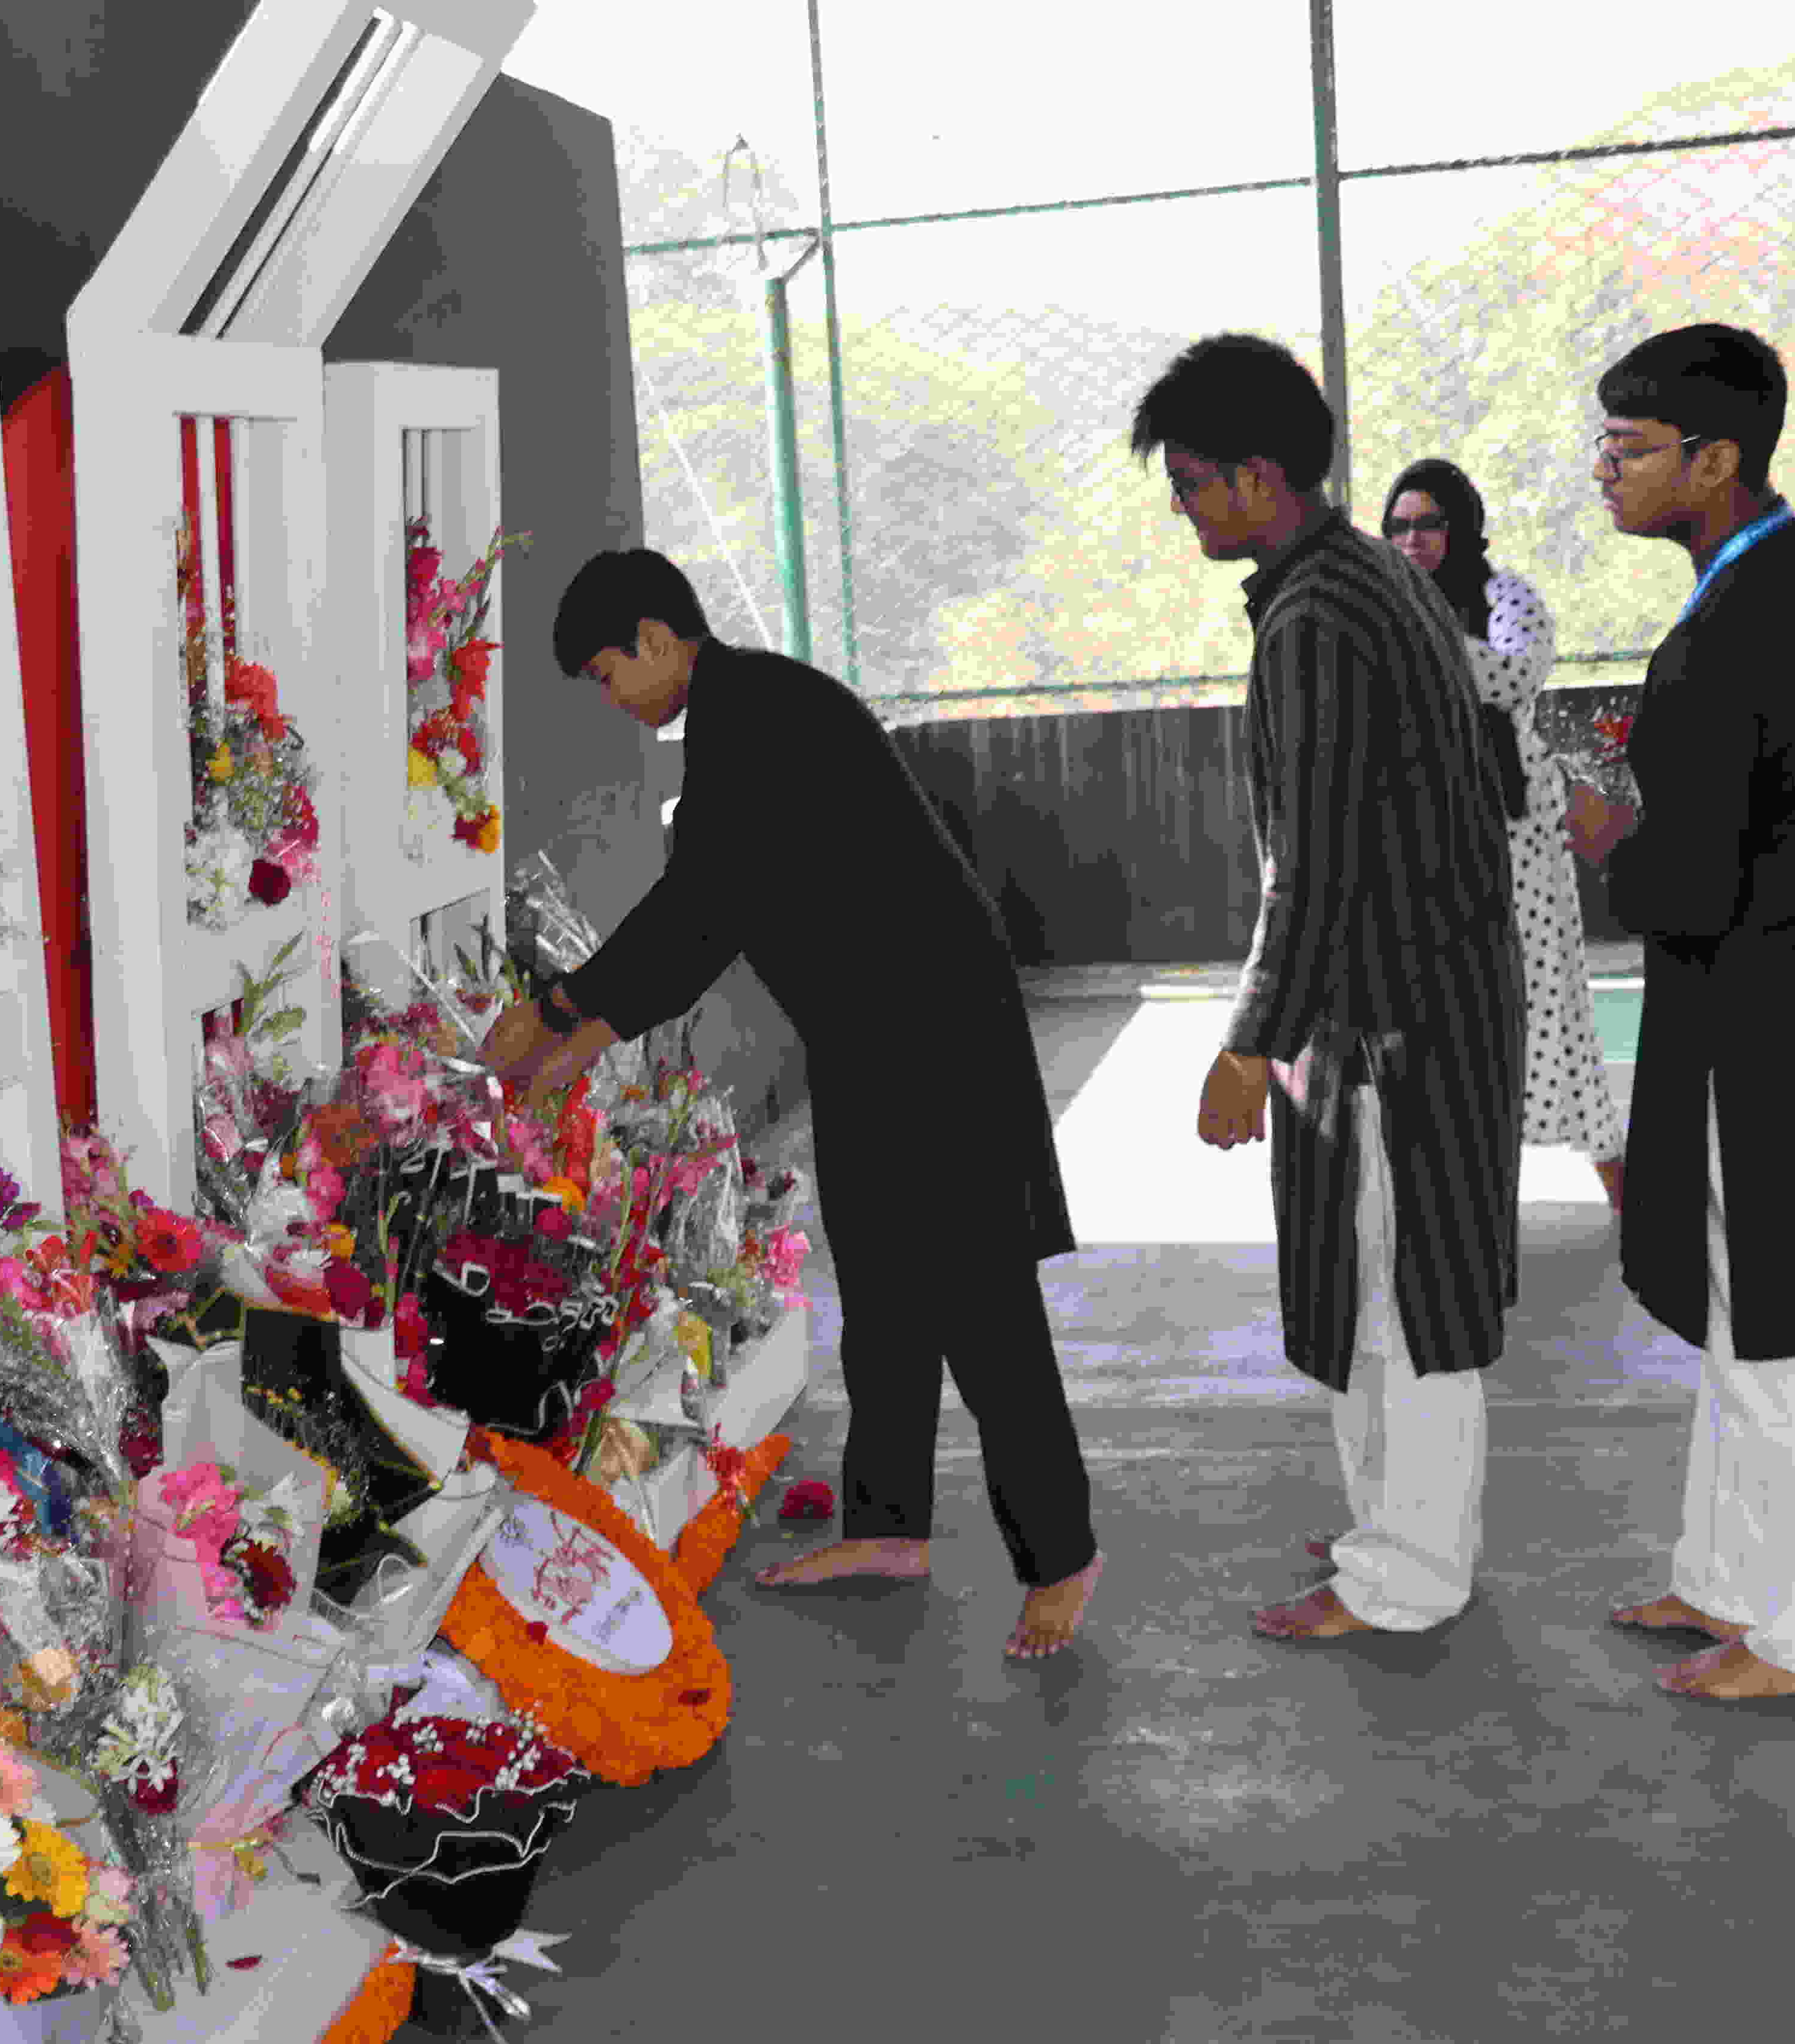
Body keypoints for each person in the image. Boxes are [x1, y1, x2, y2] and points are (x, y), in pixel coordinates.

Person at [474, 550, 1105, 1661]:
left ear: (655, 638)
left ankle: (1061, 1555)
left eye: (607, 674)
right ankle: (888, 1526)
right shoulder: (740, 716)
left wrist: (559, 1008)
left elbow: (697, 908)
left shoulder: (759, 716)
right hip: (869, 1038)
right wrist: (571, 1046)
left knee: (980, 1301)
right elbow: (712, 923)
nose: (613, 701)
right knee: (885, 1281)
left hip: (938, 1037)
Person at [1129, 336, 1524, 1647]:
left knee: (1404, 1301)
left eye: (1190, 484)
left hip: (1394, 1026)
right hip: (1413, 1004)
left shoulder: (1315, 617)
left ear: (1259, 477)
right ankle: (1394, 1527)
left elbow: (1313, 865)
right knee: (1379, 1289)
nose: (1183, 510)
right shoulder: (1359, 577)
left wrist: (1252, 1044)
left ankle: (1408, 1571)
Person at [1577, 324, 1795, 1709]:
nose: (1605, 470)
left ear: (1715, 458)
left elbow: (1705, 864)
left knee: (1782, 1324)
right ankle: (1724, 1577)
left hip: (1784, 1022)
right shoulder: (1789, 584)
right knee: (1741, 1312)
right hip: (1760, 1002)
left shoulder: (1775, 602)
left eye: (1630, 448)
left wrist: (1610, 836)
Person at [1379, 459, 1629, 1211]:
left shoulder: (1505, 597)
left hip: (1511, 825)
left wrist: (1419, 630)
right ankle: (1457, 1191)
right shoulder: (1384, 610)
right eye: (1399, 527)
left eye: (1430, 523)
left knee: (1541, 992)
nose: (1414, 540)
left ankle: (1622, 1182)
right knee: (1439, 1008)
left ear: (1462, 527)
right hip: (1420, 831)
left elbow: (1514, 679)